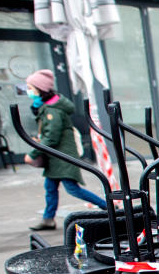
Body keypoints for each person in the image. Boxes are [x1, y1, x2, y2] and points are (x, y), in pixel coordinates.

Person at [23, 69, 107, 231]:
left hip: (62, 157)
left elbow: (52, 137)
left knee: (72, 188)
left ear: (41, 89)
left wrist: (33, 153)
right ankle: (48, 219)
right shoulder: (47, 107)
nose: (28, 91)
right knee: (50, 188)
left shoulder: (52, 110)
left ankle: (108, 207)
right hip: (56, 157)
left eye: (30, 88)